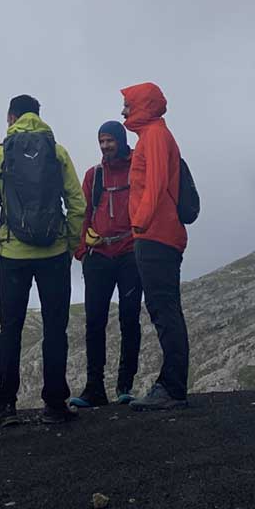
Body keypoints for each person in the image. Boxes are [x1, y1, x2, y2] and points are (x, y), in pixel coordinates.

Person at [0, 94, 86, 426]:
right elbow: (77, 203)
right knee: (55, 328)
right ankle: (54, 404)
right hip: (53, 253)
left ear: (10, 117)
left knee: (10, 329)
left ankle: (6, 405)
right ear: (39, 116)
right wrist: (69, 243)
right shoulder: (57, 151)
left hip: (12, 255)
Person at [121, 82, 190, 411]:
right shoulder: (151, 136)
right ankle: (170, 385)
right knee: (163, 310)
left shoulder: (156, 136)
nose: (123, 110)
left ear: (143, 105)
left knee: (165, 311)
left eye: (128, 104)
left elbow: (158, 182)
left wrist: (140, 223)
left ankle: (172, 388)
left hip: (156, 235)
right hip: (154, 234)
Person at [70, 120, 143, 408]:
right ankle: (94, 388)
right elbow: (84, 212)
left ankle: (125, 386)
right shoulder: (94, 176)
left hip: (130, 254)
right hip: (98, 256)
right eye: (101, 141)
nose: (105, 146)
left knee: (129, 318)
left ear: (121, 140)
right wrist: (81, 251)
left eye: (109, 140)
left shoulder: (138, 168)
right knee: (94, 323)